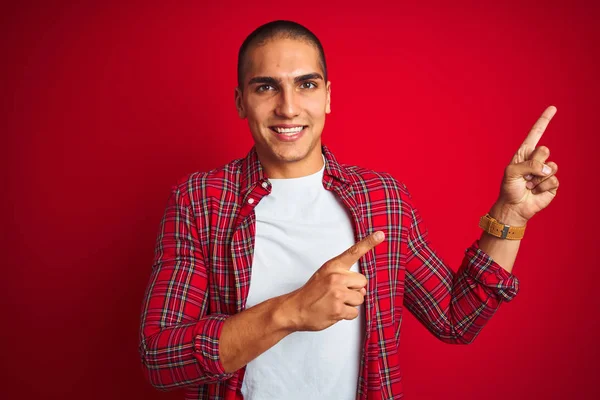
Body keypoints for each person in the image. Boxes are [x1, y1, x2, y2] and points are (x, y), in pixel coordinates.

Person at [138, 20, 559, 400]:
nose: (288, 107)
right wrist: (292, 310)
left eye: (306, 84)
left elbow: (454, 319)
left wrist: (509, 217)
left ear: (328, 97)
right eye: (266, 86)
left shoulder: (383, 199)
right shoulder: (200, 200)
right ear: (240, 101)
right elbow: (160, 357)